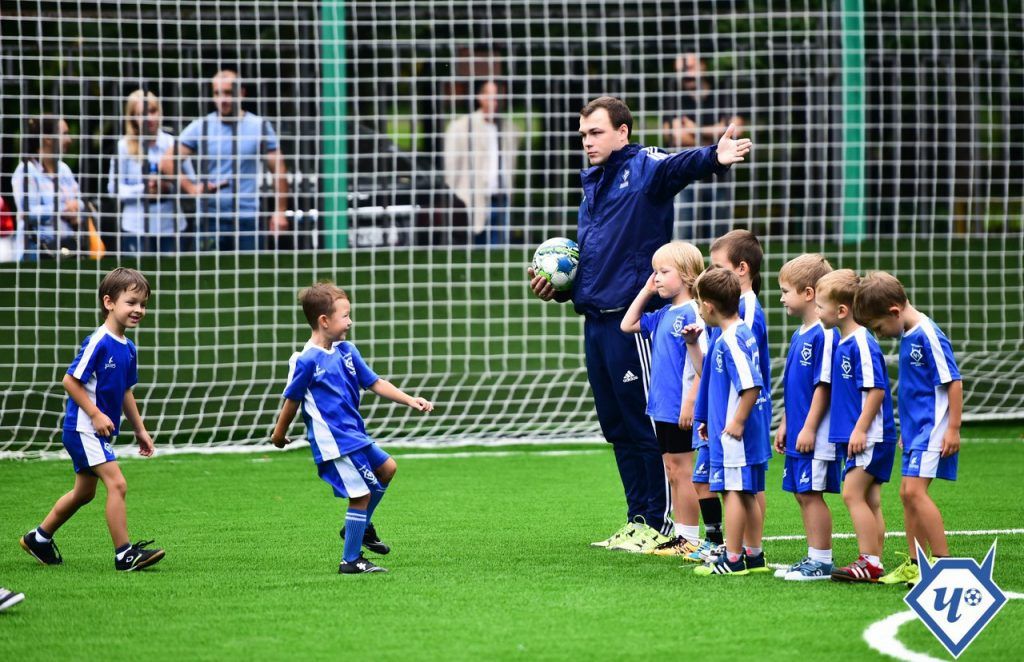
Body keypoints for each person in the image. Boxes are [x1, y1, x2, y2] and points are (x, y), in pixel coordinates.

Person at [528, 96, 751, 551]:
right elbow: (600, 258)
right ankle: (639, 519)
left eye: (596, 132)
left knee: (647, 424)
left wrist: (713, 156)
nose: (587, 142)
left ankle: (665, 524)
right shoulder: (594, 181)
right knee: (616, 425)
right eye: (583, 134)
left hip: (637, 324)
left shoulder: (643, 165)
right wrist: (566, 287)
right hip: (597, 321)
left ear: (622, 132)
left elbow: (676, 167)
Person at [270, 282, 434, 574]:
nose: (350, 322)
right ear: (324, 320)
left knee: (388, 468)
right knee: (361, 496)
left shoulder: (347, 351)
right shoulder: (306, 361)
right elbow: (291, 400)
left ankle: (358, 528)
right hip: (335, 442)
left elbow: (375, 382)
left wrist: (411, 400)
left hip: (355, 436)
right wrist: (279, 435)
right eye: (345, 316)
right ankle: (351, 560)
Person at [20, 268, 165, 572]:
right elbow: (70, 381)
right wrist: (96, 414)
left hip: (95, 432)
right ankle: (124, 555)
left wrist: (140, 430)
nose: (139, 309)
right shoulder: (99, 340)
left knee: (84, 493)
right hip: (83, 429)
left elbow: (126, 391)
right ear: (109, 302)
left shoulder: (128, 347)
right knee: (118, 484)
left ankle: (39, 538)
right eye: (131, 302)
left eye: (143, 304)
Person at [854, 272, 963, 588]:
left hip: (934, 431)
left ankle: (944, 566)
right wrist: (908, 430)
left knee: (914, 493)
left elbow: (953, 382)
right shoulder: (908, 335)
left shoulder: (928, 335)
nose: (880, 334)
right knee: (907, 494)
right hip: (917, 432)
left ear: (894, 311)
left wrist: (953, 428)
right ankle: (917, 564)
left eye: (878, 327)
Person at [619, 241, 707, 555]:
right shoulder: (664, 313)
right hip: (662, 407)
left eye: (663, 272)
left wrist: (690, 402)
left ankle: (691, 538)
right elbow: (627, 324)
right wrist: (645, 291)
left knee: (682, 472)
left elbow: (702, 364)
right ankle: (682, 537)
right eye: (654, 272)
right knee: (672, 470)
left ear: (685, 275)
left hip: (680, 408)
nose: (656, 277)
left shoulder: (692, 313)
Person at [815, 269, 897, 583]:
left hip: (870, 435)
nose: (818, 311)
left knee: (852, 494)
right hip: (865, 435)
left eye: (821, 306)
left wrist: (861, 430)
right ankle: (874, 560)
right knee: (870, 498)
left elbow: (877, 389)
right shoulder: (845, 341)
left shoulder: (861, 343)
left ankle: (869, 562)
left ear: (841, 311)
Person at [690, 267, 768, 576]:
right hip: (737, 428)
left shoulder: (732, 340)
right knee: (745, 492)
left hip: (737, 433)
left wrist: (735, 422)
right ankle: (755, 556)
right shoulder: (735, 334)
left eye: (698, 304)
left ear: (708, 305)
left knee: (733, 492)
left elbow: (750, 385)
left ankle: (733, 559)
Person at [773, 254, 842, 581]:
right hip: (800, 428)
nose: (781, 297)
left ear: (809, 293)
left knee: (811, 492)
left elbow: (824, 386)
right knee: (802, 492)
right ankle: (814, 557)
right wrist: (787, 423)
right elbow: (795, 387)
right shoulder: (801, 333)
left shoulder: (825, 335)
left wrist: (810, 427)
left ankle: (821, 561)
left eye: (786, 290)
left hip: (817, 432)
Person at [168, 69, 289, 251]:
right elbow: (167, 160)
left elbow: (278, 168)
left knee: (249, 277)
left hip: (246, 218)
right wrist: (191, 188)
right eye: (217, 93)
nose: (222, 99)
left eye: (228, 93)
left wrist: (280, 212)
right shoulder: (202, 126)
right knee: (206, 277)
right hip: (209, 219)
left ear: (241, 93)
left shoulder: (259, 127)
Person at [707, 229, 772, 556]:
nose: (711, 272)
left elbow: (749, 377)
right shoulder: (739, 310)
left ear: (741, 269)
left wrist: (737, 417)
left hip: (740, 415)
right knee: (740, 485)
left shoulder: (741, 315)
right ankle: (747, 548)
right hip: (730, 411)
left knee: (743, 485)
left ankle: (744, 550)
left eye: (717, 266)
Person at [662, 53, 746, 240]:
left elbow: (737, 130)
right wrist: (717, 137)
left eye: (690, 67)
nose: (685, 74)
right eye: (680, 70)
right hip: (684, 177)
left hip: (720, 175)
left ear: (703, 66)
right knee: (681, 239)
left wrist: (695, 130)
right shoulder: (673, 97)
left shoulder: (723, 94)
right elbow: (676, 135)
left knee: (722, 240)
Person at [109, 89, 193, 253]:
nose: (148, 118)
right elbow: (113, 189)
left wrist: (168, 187)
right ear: (132, 118)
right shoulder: (124, 147)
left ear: (160, 112)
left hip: (171, 226)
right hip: (136, 228)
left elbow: (192, 184)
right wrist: (144, 189)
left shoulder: (173, 144)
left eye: (152, 111)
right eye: (141, 114)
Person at [442, 80, 518, 245]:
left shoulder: (510, 128)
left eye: (499, 97)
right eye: (491, 96)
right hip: (472, 195)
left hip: (502, 195)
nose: (495, 101)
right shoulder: (461, 127)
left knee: (499, 248)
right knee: (473, 244)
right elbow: (451, 166)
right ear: (480, 97)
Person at [11, 115, 82, 260]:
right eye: (65, 134)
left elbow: (80, 201)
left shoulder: (63, 169)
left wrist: (76, 208)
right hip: (36, 252)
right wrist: (62, 209)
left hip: (67, 248)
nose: (69, 140)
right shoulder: (26, 171)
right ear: (47, 138)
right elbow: (27, 212)